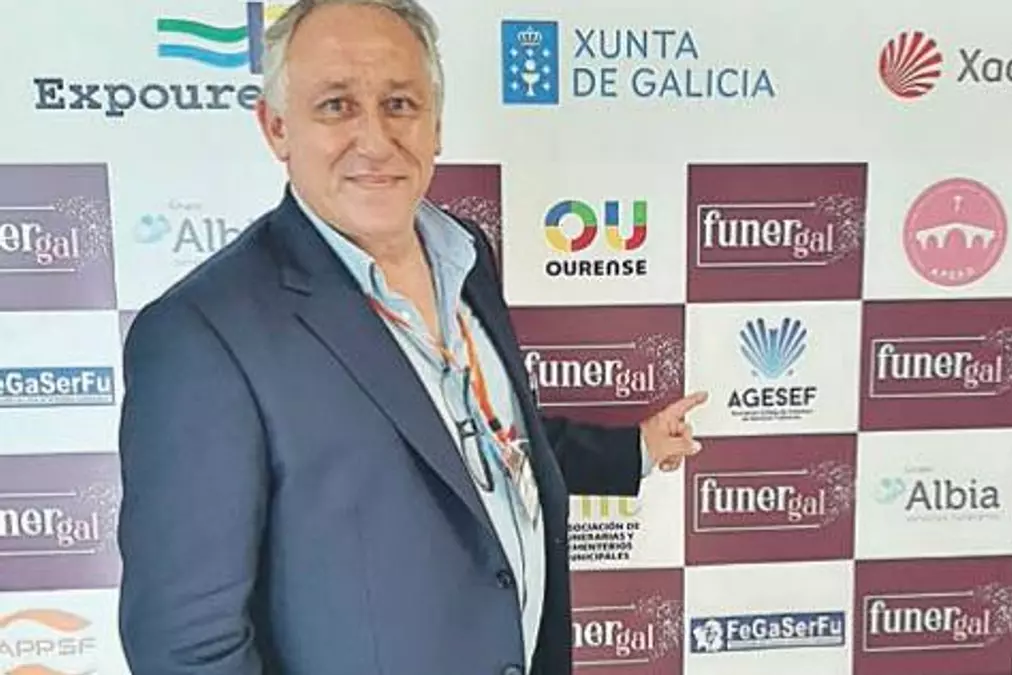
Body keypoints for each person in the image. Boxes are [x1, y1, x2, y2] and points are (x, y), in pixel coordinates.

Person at [115, 1, 709, 674]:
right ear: (276, 127)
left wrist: (631, 450)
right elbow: (187, 647)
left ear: (436, 125)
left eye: (399, 104)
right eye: (337, 106)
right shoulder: (201, 335)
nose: (375, 140)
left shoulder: (465, 253)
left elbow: (465, 436)